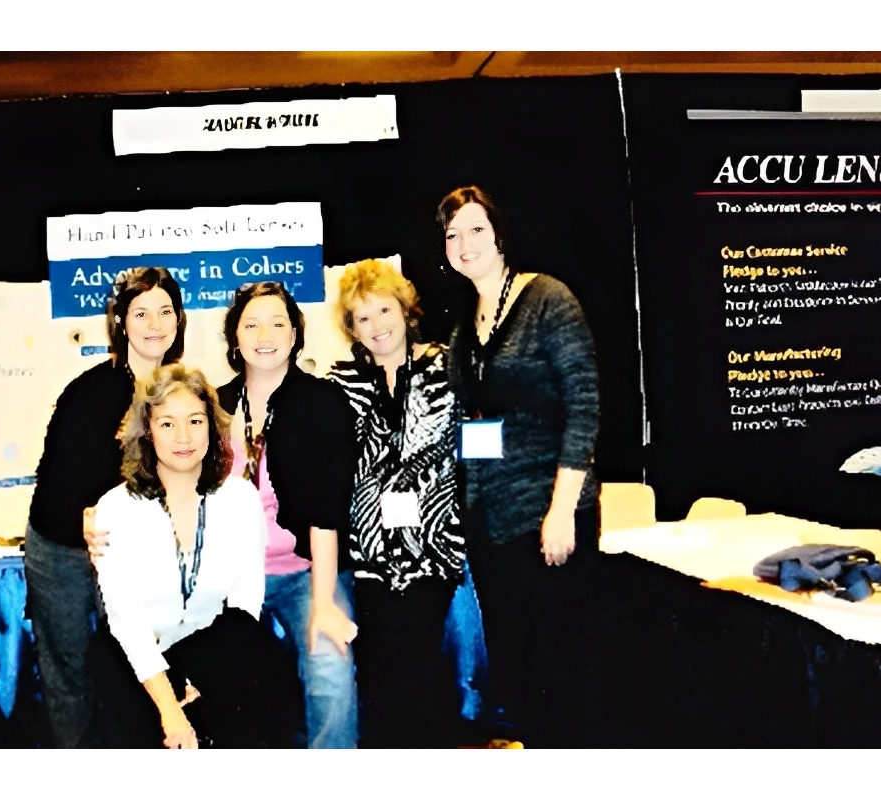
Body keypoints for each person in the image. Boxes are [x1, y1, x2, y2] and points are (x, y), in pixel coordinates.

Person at [438, 186, 601, 750]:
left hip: (547, 515)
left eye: (476, 229)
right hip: (493, 524)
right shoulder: (463, 328)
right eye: (452, 234)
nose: (465, 244)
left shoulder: (547, 298)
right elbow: (471, 425)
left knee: (562, 673)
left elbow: (584, 405)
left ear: (500, 233)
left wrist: (562, 511)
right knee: (520, 675)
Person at [89, 364, 300, 751]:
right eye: (167, 423)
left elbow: (245, 604)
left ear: (211, 428)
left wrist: (208, 681)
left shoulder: (240, 499)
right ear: (146, 431)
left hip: (212, 650)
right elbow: (126, 620)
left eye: (195, 421)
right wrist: (170, 708)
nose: (183, 437)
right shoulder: (116, 509)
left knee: (259, 667)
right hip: (139, 658)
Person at [24, 267, 186, 751]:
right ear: (120, 322)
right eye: (141, 313)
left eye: (165, 311)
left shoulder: (183, 392)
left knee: (138, 668)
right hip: (65, 551)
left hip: (135, 554)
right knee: (70, 673)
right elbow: (55, 478)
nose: (154, 324)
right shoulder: (89, 391)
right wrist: (86, 515)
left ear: (179, 320)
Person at [327, 258, 465, 751]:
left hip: (435, 548)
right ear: (351, 328)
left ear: (406, 311)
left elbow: (483, 441)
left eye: (384, 310)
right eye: (362, 317)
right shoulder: (339, 383)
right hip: (368, 557)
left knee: (425, 669)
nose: (376, 325)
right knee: (381, 678)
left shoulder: (449, 366)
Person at [216, 281, 359, 751]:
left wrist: (324, 602)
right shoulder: (211, 407)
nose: (265, 335)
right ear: (234, 337)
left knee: (330, 663)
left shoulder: (322, 402)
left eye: (278, 324)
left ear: (295, 335)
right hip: (231, 578)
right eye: (251, 325)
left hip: (305, 572)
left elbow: (327, 510)